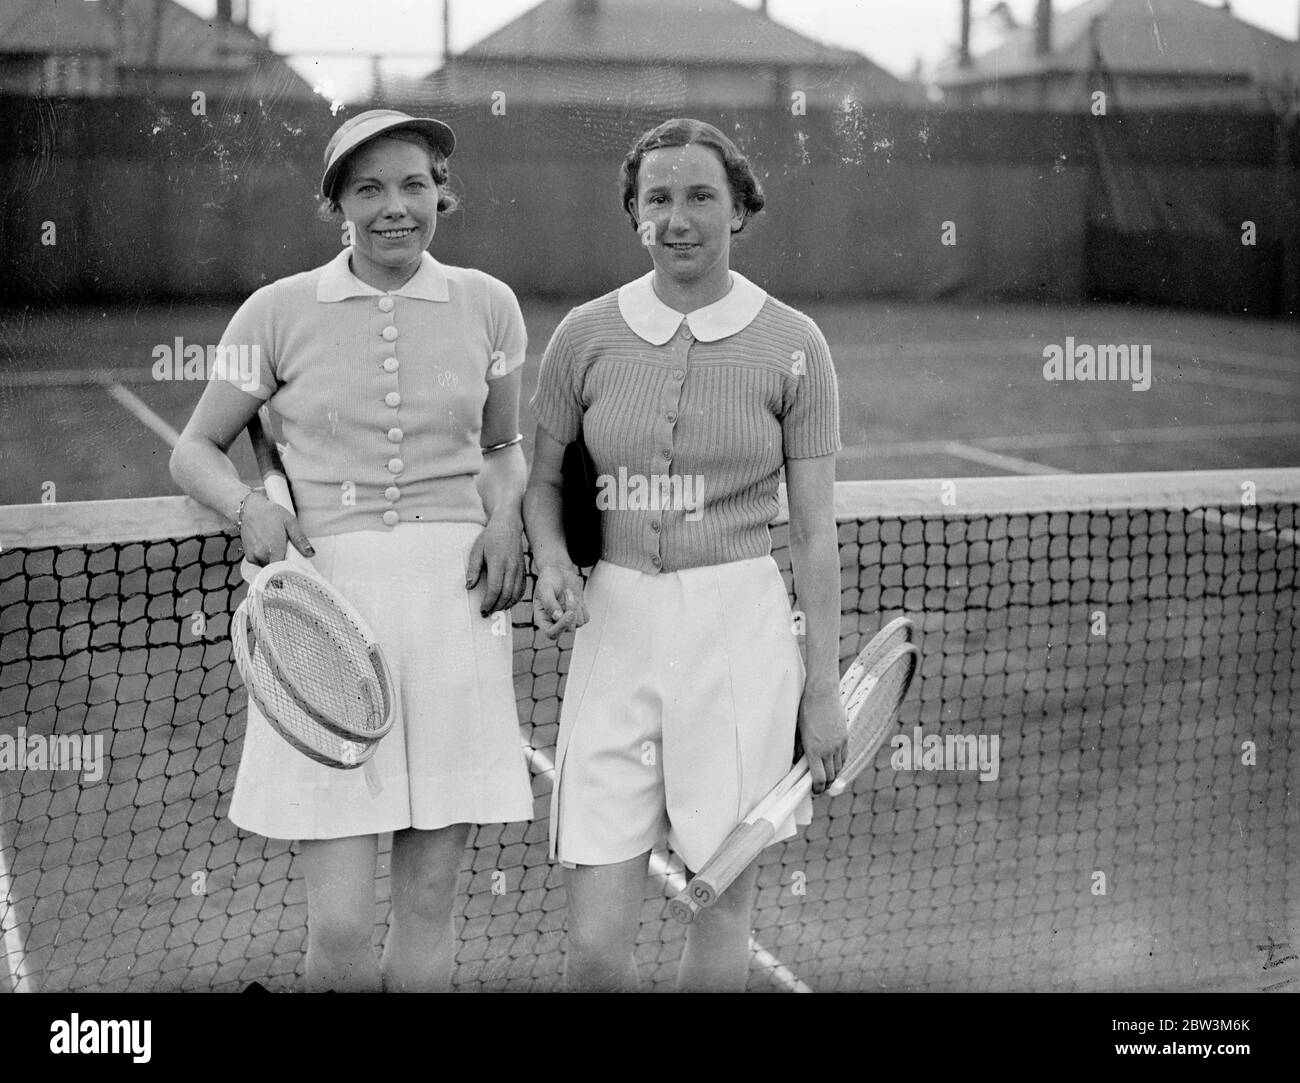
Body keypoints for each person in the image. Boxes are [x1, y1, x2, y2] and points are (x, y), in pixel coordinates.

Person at [170, 109, 534, 992]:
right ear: (337, 203)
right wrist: (247, 503)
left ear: (440, 191)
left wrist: (505, 515)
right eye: (368, 188)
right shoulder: (278, 310)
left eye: (413, 184)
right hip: (325, 620)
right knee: (338, 924)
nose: (395, 208)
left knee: (429, 904)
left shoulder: (488, 303)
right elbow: (192, 449)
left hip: (456, 610)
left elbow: (500, 448)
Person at [523, 118, 844, 992]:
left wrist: (821, 688)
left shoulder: (795, 346)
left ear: (739, 207)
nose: (679, 217)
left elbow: (816, 531)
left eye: (701, 195)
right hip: (614, 630)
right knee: (594, 944)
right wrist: (551, 559)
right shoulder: (583, 338)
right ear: (634, 213)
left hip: (738, 638)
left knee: (720, 909)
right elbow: (541, 482)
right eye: (657, 198)